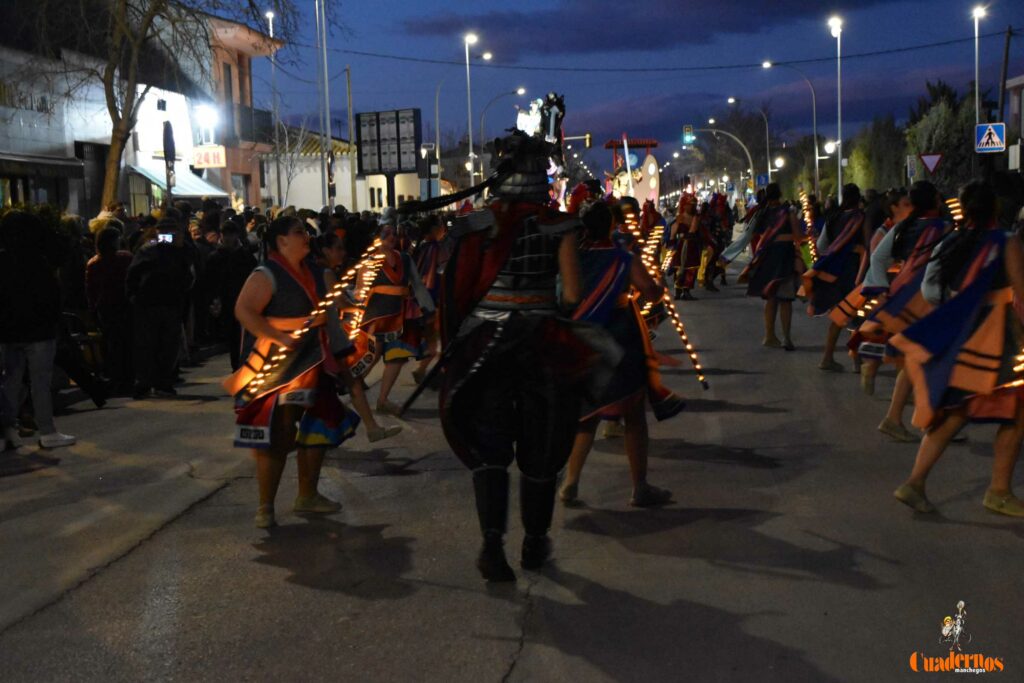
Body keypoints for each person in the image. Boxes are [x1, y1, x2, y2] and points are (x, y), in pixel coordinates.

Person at [413, 94, 613, 581]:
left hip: (484, 347)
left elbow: (451, 287)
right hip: (541, 343)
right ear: (541, 180)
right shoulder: (560, 226)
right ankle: (534, 542)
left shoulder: (475, 225)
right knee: (543, 447)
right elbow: (570, 295)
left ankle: (490, 546)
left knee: (492, 446)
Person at [891, 181, 1024, 517]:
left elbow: (933, 288)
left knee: (958, 410)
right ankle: (998, 490)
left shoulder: (953, 241)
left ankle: (916, 482)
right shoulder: (1006, 242)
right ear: (995, 208)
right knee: (1017, 412)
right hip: (1000, 340)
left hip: (964, 335)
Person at [229, 216, 360, 528]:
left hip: (313, 360)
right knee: (277, 434)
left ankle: (307, 495)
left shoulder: (318, 272)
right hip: (276, 366)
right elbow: (244, 310)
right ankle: (265, 507)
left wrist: (341, 353)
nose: (306, 236)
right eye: (298, 232)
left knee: (320, 425)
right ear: (280, 241)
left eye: (306, 230)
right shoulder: (267, 274)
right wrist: (279, 336)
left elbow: (330, 314)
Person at [559, 200, 674, 507]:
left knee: (587, 415)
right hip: (620, 337)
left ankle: (571, 482)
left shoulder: (575, 257)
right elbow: (650, 292)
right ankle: (640, 487)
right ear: (611, 225)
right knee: (634, 414)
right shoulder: (623, 258)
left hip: (585, 341)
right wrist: (657, 285)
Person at [314, 231, 401, 443]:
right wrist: (358, 307)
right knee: (344, 382)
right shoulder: (325, 272)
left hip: (321, 336)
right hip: (325, 337)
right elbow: (338, 302)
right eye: (338, 248)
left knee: (348, 381)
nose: (343, 253)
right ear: (326, 251)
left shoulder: (314, 269)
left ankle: (368, 427)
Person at [0, 210, 76, 449]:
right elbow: (62, 255)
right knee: (40, 381)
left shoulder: (3, 259)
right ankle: (47, 430)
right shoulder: (40, 260)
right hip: (39, 330)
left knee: (10, 380)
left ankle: (6, 429)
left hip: (8, 330)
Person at [357, 224, 434, 414]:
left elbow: (417, 285)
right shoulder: (369, 261)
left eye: (394, 234)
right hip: (377, 315)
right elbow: (360, 290)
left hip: (401, 314)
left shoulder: (405, 259)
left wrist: (429, 309)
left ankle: (383, 400)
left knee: (397, 357)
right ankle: (354, 388)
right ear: (377, 237)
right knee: (373, 355)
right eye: (386, 234)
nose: (391, 237)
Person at [125, 215, 194, 398]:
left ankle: (160, 381)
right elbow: (133, 274)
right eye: (164, 232)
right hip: (150, 303)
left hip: (168, 303)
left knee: (167, 345)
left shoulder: (180, 250)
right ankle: (148, 381)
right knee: (149, 344)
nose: (168, 236)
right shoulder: (150, 249)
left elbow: (190, 272)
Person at [802, 183, 870, 371]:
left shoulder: (833, 218)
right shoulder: (860, 218)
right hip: (854, 272)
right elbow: (868, 245)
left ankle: (828, 357)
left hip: (833, 273)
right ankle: (857, 361)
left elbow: (823, 246)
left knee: (838, 315)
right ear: (858, 199)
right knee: (856, 314)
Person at [730, 183, 803, 350]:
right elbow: (798, 236)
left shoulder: (761, 214)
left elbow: (749, 234)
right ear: (780, 194)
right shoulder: (788, 212)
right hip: (785, 257)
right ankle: (786, 338)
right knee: (785, 299)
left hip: (767, 258)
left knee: (770, 297)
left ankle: (769, 336)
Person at [86, 226, 134, 393]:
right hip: (125, 305)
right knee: (127, 343)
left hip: (106, 308)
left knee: (111, 344)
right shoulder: (125, 258)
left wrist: (93, 310)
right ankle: (128, 378)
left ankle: (116, 378)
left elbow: (91, 291)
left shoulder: (93, 263)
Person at [206, 220, 257, 370]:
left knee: (241, 339)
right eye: (225, 234)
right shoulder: (215, 257)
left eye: (230, 234)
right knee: (233, 339)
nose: (228, 238)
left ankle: (241, 367)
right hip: (225, 302)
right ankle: (238, 368)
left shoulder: (245, 256)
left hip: (242, 300)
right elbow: (209, 281)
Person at [411, 214, 448, 385]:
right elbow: (436, 275)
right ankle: (438, 371)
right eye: (441, 225)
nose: (444, 228)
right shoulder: (435, 249)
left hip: (422, 300)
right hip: (432, 300)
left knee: (433, 339)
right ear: (434, 229)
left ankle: (422, 370)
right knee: (439, 336)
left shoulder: (422, 248)